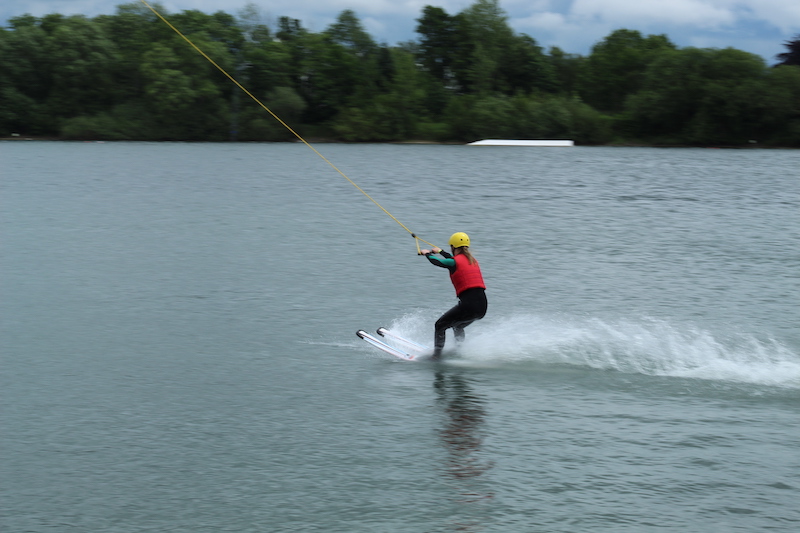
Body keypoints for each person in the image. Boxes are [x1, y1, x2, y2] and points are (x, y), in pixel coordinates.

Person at [420, 232, 488, 360]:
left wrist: (427, 254)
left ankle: (436, 356)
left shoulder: (454, 262)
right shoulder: (472, 260)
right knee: (458, 326)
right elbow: (453, 259)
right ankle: (458, 350)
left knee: (440, 325)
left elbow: (438, 262)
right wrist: (440, 251)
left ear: (453, 246)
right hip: (482, 306)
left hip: (469, 305)